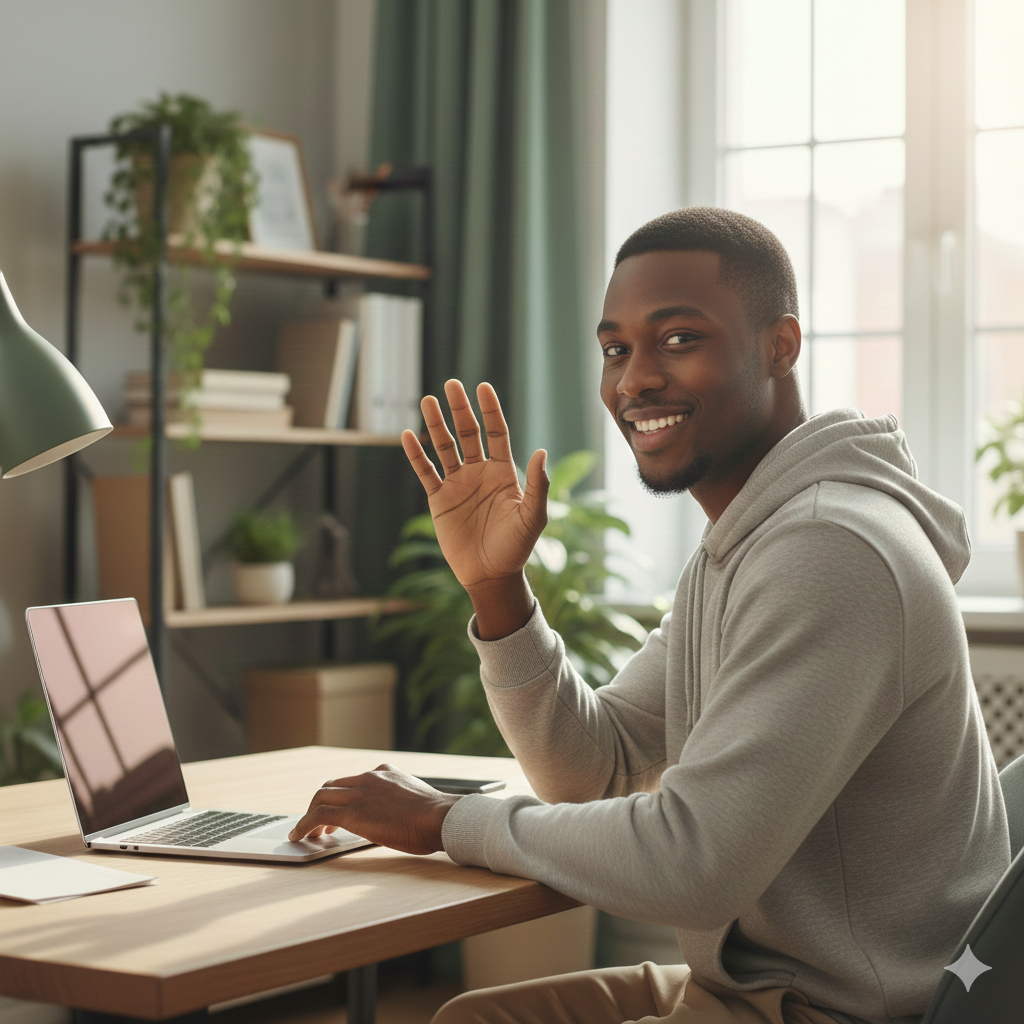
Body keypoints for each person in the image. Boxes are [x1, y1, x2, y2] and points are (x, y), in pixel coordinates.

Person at [290, 208, 1009, 1024]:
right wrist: (498, 591)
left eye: (678, 339)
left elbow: (696, 861)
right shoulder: (746, 543)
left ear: (780, 345)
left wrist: (449, 819)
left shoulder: (827, 549)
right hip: (754, 989)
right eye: (616, 349)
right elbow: (597, 769)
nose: (633, 381)